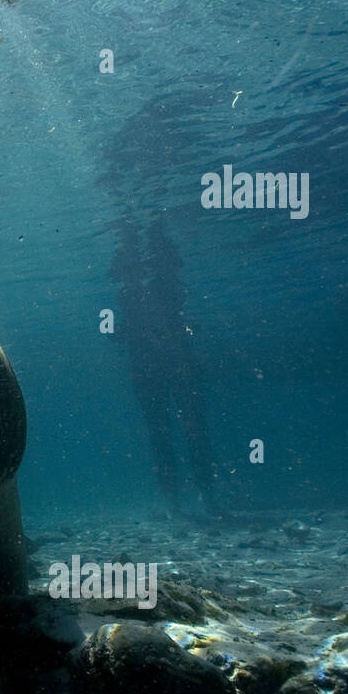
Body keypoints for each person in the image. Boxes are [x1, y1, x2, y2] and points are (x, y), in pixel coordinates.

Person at [111, 214, 220, 516]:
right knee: (188, 431)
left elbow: (119, 334)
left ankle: (183, 499)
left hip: (154, 370)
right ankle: (198, 497)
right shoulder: (160, 289)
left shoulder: (133, 294)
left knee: (168, 433)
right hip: (172, 367)